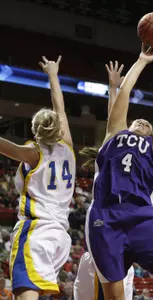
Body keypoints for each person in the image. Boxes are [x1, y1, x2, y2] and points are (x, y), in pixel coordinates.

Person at [81, 44, 153, 300]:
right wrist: (142, 60)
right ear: (127, 124)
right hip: (105, 216)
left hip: (141, 216)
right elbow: (124, 93)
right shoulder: (113, 135)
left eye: (147, 123)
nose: (143, 121)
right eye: (138, 120)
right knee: (115, 293)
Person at [0, 56, 75, 300]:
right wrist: (53, 75)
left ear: (35, 130)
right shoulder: (69, 148)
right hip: (60, 238)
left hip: (36, 232)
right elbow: (60, 107)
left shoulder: (33, 153)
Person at [76, 61, 134, 300]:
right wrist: (113, 88)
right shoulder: (111, 156)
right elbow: (115, 122)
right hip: (104, 231)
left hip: (125, 239)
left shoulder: (146, 161)